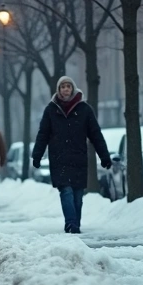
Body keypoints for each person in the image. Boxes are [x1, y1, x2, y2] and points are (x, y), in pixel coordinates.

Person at [31, 76, 112, 235]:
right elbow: (43, 134)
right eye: (63, 87)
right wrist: (37, 156)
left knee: (77, 195)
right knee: (66, 191)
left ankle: (75, 224)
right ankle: (71, 224)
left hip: (78, 158)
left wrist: (104, 156)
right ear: (58, 90)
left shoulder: (84, 109)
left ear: (73, 89)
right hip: (59, 159)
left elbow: (95, 134)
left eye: (68, 86)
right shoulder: (51, 110)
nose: (66, 89)